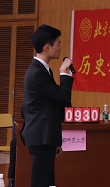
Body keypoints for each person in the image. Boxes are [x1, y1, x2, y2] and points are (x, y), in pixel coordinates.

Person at [22, 24, 74, 187]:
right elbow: (63, 98)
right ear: (47, 47)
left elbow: (52, 102)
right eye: (58, 43)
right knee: (41, 183)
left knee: (49, 183)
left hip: (45, 136)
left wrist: (55, 140)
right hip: (41, 136)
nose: (60, 47)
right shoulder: (38, 72)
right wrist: (64, 73)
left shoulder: (42, 70)